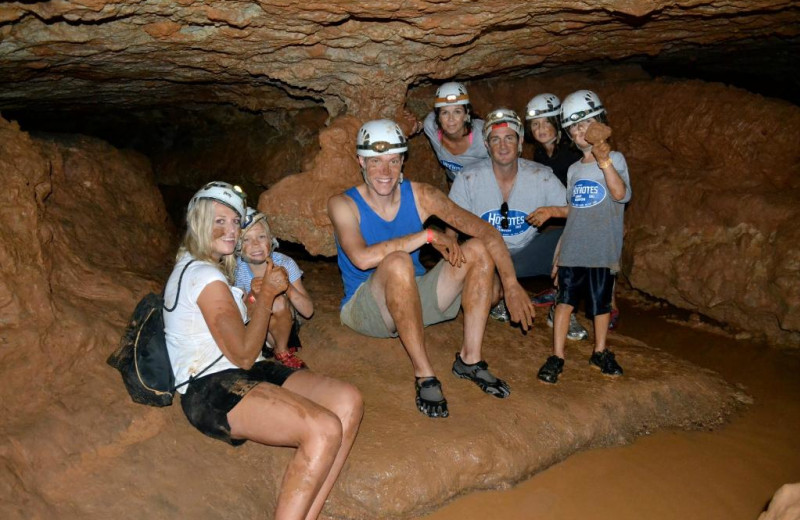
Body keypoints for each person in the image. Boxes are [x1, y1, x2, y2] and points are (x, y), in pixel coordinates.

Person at [164, 181, 363, 519]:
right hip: (211, 386)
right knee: (324, 428)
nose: (231, 230)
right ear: (198, 223)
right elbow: (242, 353)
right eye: (219, 221)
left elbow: (245, 352)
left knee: (348, 400)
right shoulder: (203, 276)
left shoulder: (212, 270)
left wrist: (257, 300)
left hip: (245, 368)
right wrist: (268, 297)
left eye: (234, 222)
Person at [328, 119, 534, 419]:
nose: (384, 172)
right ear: (361, 161)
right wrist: (426, 236)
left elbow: (486, 232)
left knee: (476, 248)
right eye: (375, 162)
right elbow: (361, 258)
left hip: (413, 294)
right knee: (398, 262)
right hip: (367, 307)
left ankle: (470, 359)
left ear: (402, 161)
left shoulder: (421, 195)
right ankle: (424, 374)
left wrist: (511, 283)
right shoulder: (343, 204)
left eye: (393, 161)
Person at [448, 107, 589, 340]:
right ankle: (499, 296)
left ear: (520, 141)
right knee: (488, 295)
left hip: (526, 252)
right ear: (486, 145)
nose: (503, 146)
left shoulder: (540, 175)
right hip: (488, 257)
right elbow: (452, 223)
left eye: (509, 138)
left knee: (576, 240)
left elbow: (579, 211)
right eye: (495, 139)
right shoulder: (468, 178)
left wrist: (567, 238)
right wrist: (453, 254)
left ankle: (563, 306)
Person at [527, 90, 632, 384]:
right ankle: (557, 356)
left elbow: (620, 194)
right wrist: (551, 212)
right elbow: (575, 209)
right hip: (575, 248)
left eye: (585, 123)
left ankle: (600, 352)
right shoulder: (573, 170)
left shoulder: (616, 160)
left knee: (601, 304)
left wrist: (604, 160)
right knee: (564, 302)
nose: (579, 131)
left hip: (602, 249)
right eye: (573, 127)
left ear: (600, 122)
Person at [524, 94, 593, 337]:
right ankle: (560, 296)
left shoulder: (573, 150)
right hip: (558, 216)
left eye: (546, 122)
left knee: (571, 251)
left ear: (557, 122)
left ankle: (564, 308)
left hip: (580, 213)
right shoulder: (541, 154)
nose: (540, 129)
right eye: (535, 124)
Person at [235, 207, 314, 369]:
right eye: (246, 240)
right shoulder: (237, 270)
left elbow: (308, 311)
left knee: (276, 299)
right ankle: (259, 350)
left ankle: (282, 350)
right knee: (258, 297)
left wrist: (287, 287)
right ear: (237, 246)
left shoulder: (284, 263)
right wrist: (252, 295)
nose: (256, 244)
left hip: (283, 328)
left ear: (271, 240)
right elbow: (237, 317)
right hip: (255, 331)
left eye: (261, 236)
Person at [419, 82, 489, 182]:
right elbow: (418, 124)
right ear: (438, 117)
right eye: (445, 112)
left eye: (457, 111)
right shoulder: (430, 127)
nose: (451, 119)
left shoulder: (484, 135)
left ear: (466, 115)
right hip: (457, 182)